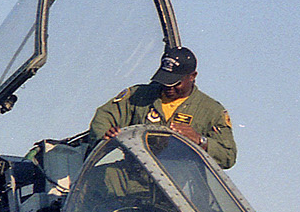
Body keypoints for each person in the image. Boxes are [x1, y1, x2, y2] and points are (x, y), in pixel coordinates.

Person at [88, 46, 236, 170]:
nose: (168, 88)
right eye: (165, 81)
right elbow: (103, 116)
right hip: (129, 177)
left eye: (175, 83)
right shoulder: (138, 95)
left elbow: (228, 156)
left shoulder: (211, 111)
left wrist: (200, 141)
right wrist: (106, 136)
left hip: (175, 188)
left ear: (192, 76)